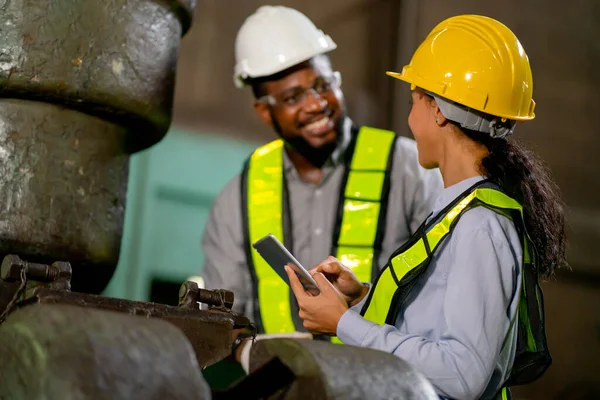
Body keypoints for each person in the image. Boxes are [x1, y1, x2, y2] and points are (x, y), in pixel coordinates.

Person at [286, 14, 567, 400]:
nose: (410, 118)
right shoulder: (463, 211)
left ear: (437, 109)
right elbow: (436, 329)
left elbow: (461, 373)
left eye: (414, 100)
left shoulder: (479, 225)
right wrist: (362, 298)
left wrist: (344, 324)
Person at [199, 5, 443, 367]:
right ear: (265, 112)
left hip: (384, 384)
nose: (316, 104)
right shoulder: (237, 200)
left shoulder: (410, 169)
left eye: (322, 85)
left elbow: (443, 301)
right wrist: (248, 352)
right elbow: (226, 322)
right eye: (293, 97)